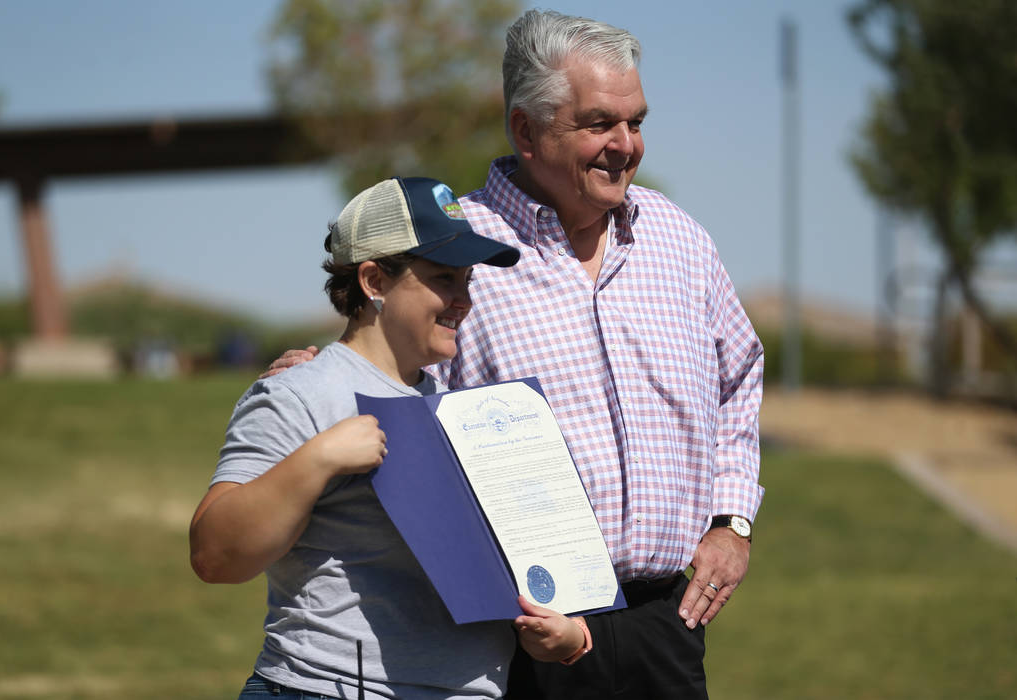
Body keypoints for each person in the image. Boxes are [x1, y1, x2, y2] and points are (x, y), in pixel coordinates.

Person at [265, 9, 765, 700]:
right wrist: (322, 380)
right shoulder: (460, 251)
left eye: (637, 121)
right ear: (526, 129)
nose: (627, 145)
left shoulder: (680, 240)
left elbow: (739, 378)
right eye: (599, 123)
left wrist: (731, 521)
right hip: (519, 635)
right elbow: (385, 372)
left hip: (667, 622)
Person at [191, 176, 592, 700]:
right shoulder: (300, 394)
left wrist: (566, 632)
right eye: (444, 279)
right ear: (374, 281)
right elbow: (216, 556)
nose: (463, 301)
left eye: (467, 281)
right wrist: (319, 459)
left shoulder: (465, 406)